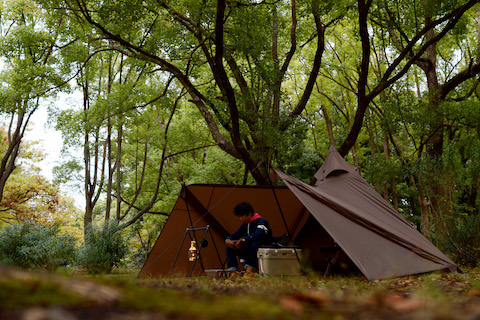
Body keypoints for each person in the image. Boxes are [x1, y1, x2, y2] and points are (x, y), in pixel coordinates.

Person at [225, 201, 273, 277]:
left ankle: (249, 271)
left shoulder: (261, 221)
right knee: (229, 248)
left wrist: (245, 239)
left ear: (250, 213)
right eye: (239, 217)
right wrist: (228, 240)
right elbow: (236, 234)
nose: (241, 219)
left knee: (254, 244)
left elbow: (259, 234)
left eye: (242, 216)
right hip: (249, 251)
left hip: (260, 249)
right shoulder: (245, 225)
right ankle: (233, 272)